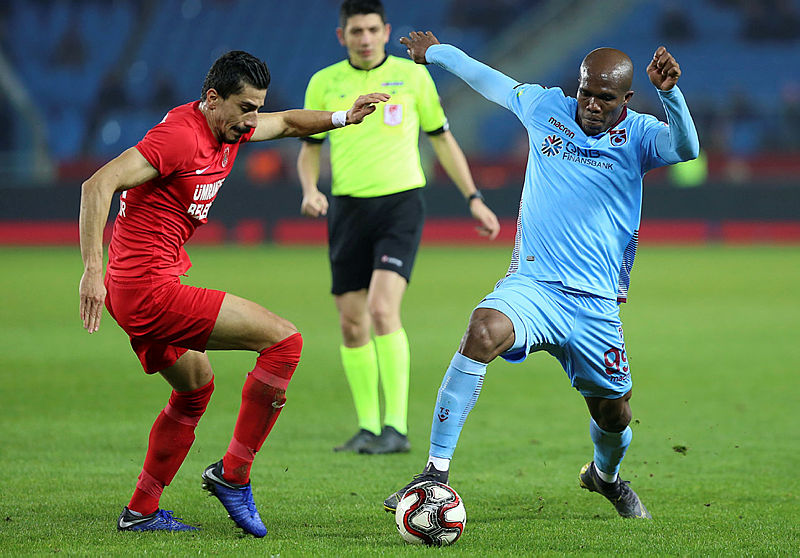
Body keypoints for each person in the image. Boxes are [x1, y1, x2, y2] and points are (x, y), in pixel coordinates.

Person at [383, 32, 699, 519]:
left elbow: (686, 147)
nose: (591, 105)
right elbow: (490, 80)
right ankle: (434, 473)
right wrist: (436, 53)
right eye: (586, 92)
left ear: (626, 99)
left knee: (614, 413)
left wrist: (670, 95)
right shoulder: (546, 107)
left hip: (595, 305)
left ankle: (606, 477)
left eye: (605, 97)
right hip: (533, 288)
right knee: (482, 330)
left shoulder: (640, 135)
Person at [79, 50, 388, 536]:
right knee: (284, 342)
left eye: (256, 108)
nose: (251, 120)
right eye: (245, 108)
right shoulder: (181, 137)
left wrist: (343, 117)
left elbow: (286, 123)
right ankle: (233, 476)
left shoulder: (230, 126)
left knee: (195, 389)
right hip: (146, 288)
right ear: (212, 98)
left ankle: (140, 511)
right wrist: (91, 271)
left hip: (139, 285)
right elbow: (97, 185)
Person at [296, 0, 501, 455]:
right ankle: (368, 427)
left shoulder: (413, 77)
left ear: (386, 31)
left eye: (373, 29)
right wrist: (310, 189)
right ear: (342, 36)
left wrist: (473, 198)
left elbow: (441, 139)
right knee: (352, 323)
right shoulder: (323, 83)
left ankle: (397, 427)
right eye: (356, 31)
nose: (365, 38)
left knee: (382, 308)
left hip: (400, 204)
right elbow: (309, 145)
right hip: (347, 208)